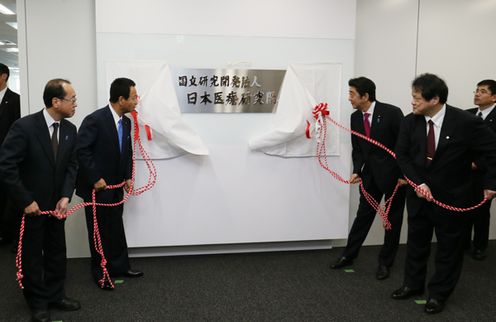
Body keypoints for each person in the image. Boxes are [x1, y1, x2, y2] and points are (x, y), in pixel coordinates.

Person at [392, 73, 496, 314]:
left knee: (449, 248)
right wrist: (417, 183)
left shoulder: (465, 122)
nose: (413, 102)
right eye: (412, 97)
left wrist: (491, 183)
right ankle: (412, 284)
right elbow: (402, 156)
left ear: (435, 99)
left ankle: (439, 294)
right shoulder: (410, 122)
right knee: (416, 243)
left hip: (453, 197)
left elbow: (492, 150)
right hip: (419, 196)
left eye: (417, 98)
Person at [0, 79, 80, 322]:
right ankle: (37, 303)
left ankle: (56, 295)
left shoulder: (70, 130)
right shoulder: (24, 127)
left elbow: (72, 166)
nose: (76, 104)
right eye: (72, 99)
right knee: (32, 256)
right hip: (30, 208)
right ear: (55, 101)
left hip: (57, 207)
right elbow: (6, 166)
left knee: (57, 252)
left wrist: (66, 196)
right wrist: (25, 200)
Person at [330, 77, 406, 280]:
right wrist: (357, 170)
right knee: (363, 216)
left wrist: (403, 176)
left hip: (394, 178)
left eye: (352, 94)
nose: (349, 98)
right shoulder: (355, 117)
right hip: (370, 177)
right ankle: (348, 255)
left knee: (392, 221)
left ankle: (385, 262)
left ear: (365, 95)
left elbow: (403, 146)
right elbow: (358, 149)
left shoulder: (392, 112)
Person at [76, 77, 143, 290]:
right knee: (98, 231)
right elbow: (82, 151)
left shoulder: (127, 121)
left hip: (116, 187)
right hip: (97, 188)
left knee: (115, 226)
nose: (136, 102)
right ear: (121, 99)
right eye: (133, 98)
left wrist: (129, 176)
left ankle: (120, 266)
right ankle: (100, 272)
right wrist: (95, 178)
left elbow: (127, 152)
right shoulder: (95, 120)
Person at [464, 79, 496, 260]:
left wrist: (478, 163)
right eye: (476, 90)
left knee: (481, 211)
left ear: (494, 97)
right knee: (464, 207)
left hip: (487, 173)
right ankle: (464, 242)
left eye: (483, 91)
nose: (477, 94)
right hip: (464, 172)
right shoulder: (467, 115)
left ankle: (480, 245)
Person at [0, 63, 20, 247]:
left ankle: (12, 236)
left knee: (11, 196)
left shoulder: (15, 100)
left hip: (7, 156)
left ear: (4, 76)